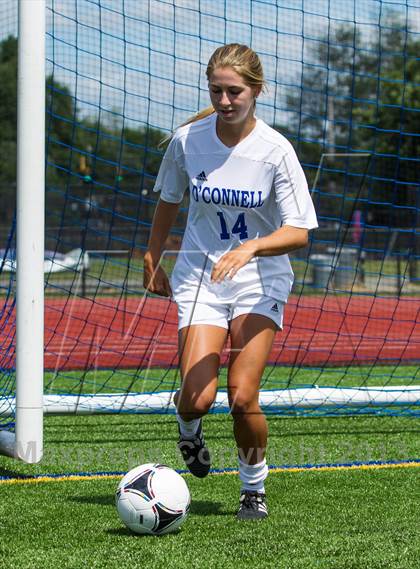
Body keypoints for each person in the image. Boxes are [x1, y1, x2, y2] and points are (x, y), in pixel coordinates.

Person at [143, 43, 318, 520]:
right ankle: (188, 429)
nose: (224, 101)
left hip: (259, 280)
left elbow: (299, 231)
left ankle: (253, 490)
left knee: (242, 396)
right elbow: (168, 200)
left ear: (257, 91)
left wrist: (251, 247)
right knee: (198, 398)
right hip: (199, 275)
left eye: (234, 91)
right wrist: (152, 253)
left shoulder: (276, 151)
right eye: (216, 90)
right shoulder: (187, 140)